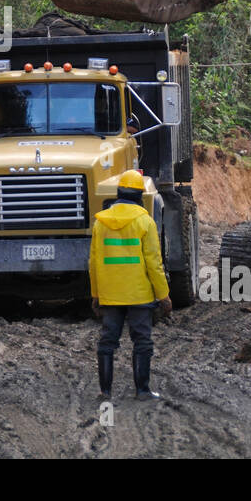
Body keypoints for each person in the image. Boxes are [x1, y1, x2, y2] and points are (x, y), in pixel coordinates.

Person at [88, 169, 172, 401]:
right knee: (142, 341)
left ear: (118, 193)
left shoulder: (100, 223)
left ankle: (105, 392)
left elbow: (93, 263)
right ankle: (142, 390)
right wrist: (163, 295)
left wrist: (96, 294)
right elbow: (154, 263)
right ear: (139, 195)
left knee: (107, 342)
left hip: (110, 294)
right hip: (139, 294)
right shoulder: (145, 222)